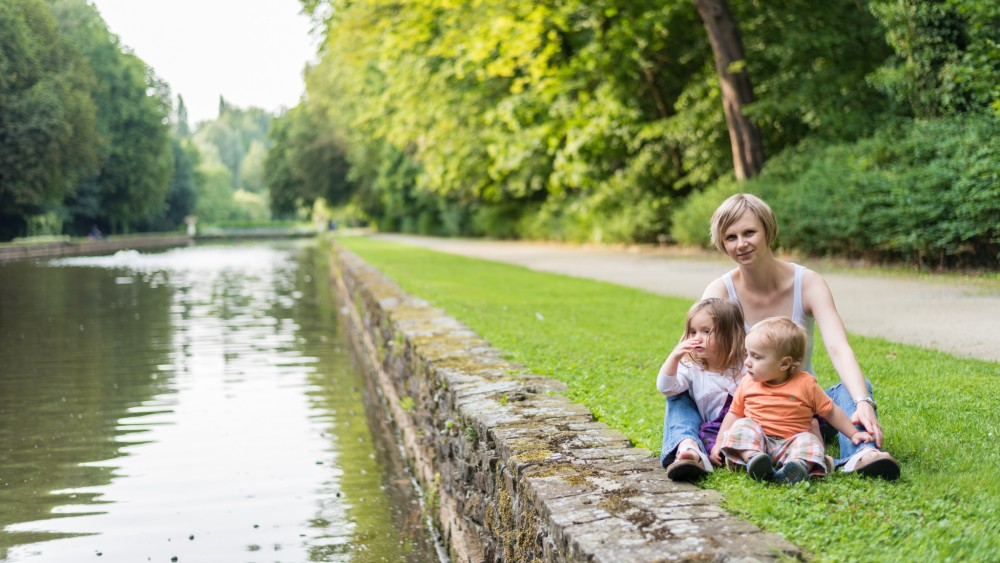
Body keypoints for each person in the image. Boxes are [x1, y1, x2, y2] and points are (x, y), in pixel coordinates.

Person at [661, 193, 900, 480]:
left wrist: (863, 401)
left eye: (749, 233)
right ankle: (689, 450)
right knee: (679, 390)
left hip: (799, 409)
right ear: (723, 244)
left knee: (855, 390)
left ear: (767, 231)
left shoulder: (807, 283)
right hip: (744, 409)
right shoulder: (720, 291)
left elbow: (838, 347)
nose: (741, 244)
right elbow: (691, 353)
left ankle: (864, 453)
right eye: (731, 237)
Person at [712, 318, 872, 484]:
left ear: (784, 363)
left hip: (792, 443)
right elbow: (734, 413)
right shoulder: (747, 383)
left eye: (756, 357)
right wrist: (718, 442)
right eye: (747, 354)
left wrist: (854, 433)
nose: (747, 362)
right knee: (743, 425)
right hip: (758, 442)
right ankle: (753, 459)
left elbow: (830, 411)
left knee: (809, 440)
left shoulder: (805, 384)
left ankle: (797, 467)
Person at [657, 298, 746, 481]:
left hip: (735, 430)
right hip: (703, 429)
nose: (697, 338)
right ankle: (688, 448)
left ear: (731, 335)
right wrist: (674, 357)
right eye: (692, 332)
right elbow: (665, 387)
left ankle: (730, 454)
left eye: (706, 331)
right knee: (676, 397)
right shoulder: (692, 367)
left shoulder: (744, 367)